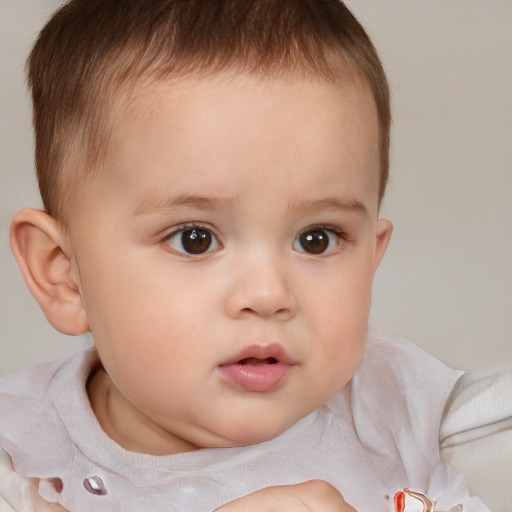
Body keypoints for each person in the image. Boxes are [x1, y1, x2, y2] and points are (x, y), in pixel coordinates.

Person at [0, 1, 489, 511]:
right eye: (195, 239)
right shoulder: (21, 461)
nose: (267, 294)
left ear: (371, 257)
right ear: (65, 275)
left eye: (317, 238)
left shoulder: (401, 407)